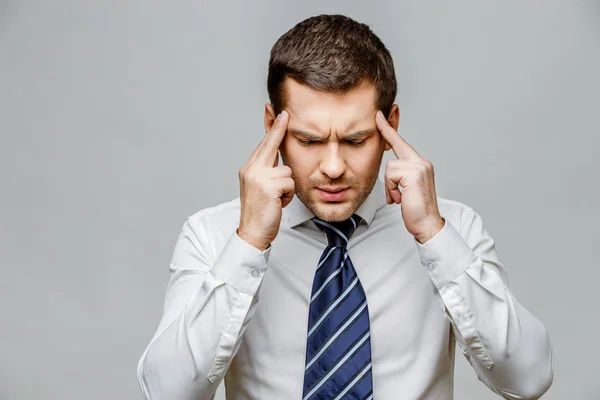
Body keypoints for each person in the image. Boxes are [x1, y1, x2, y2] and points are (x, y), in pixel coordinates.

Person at [137, 14, 554, 400]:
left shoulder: (453, 227)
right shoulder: (213, 233)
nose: (333, 167)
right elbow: (166, 392)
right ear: (272, 126)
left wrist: (433, 234)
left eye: (355, 141)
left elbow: (528, 379)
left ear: (390, 124)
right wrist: (248, 243)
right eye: (309, 141)